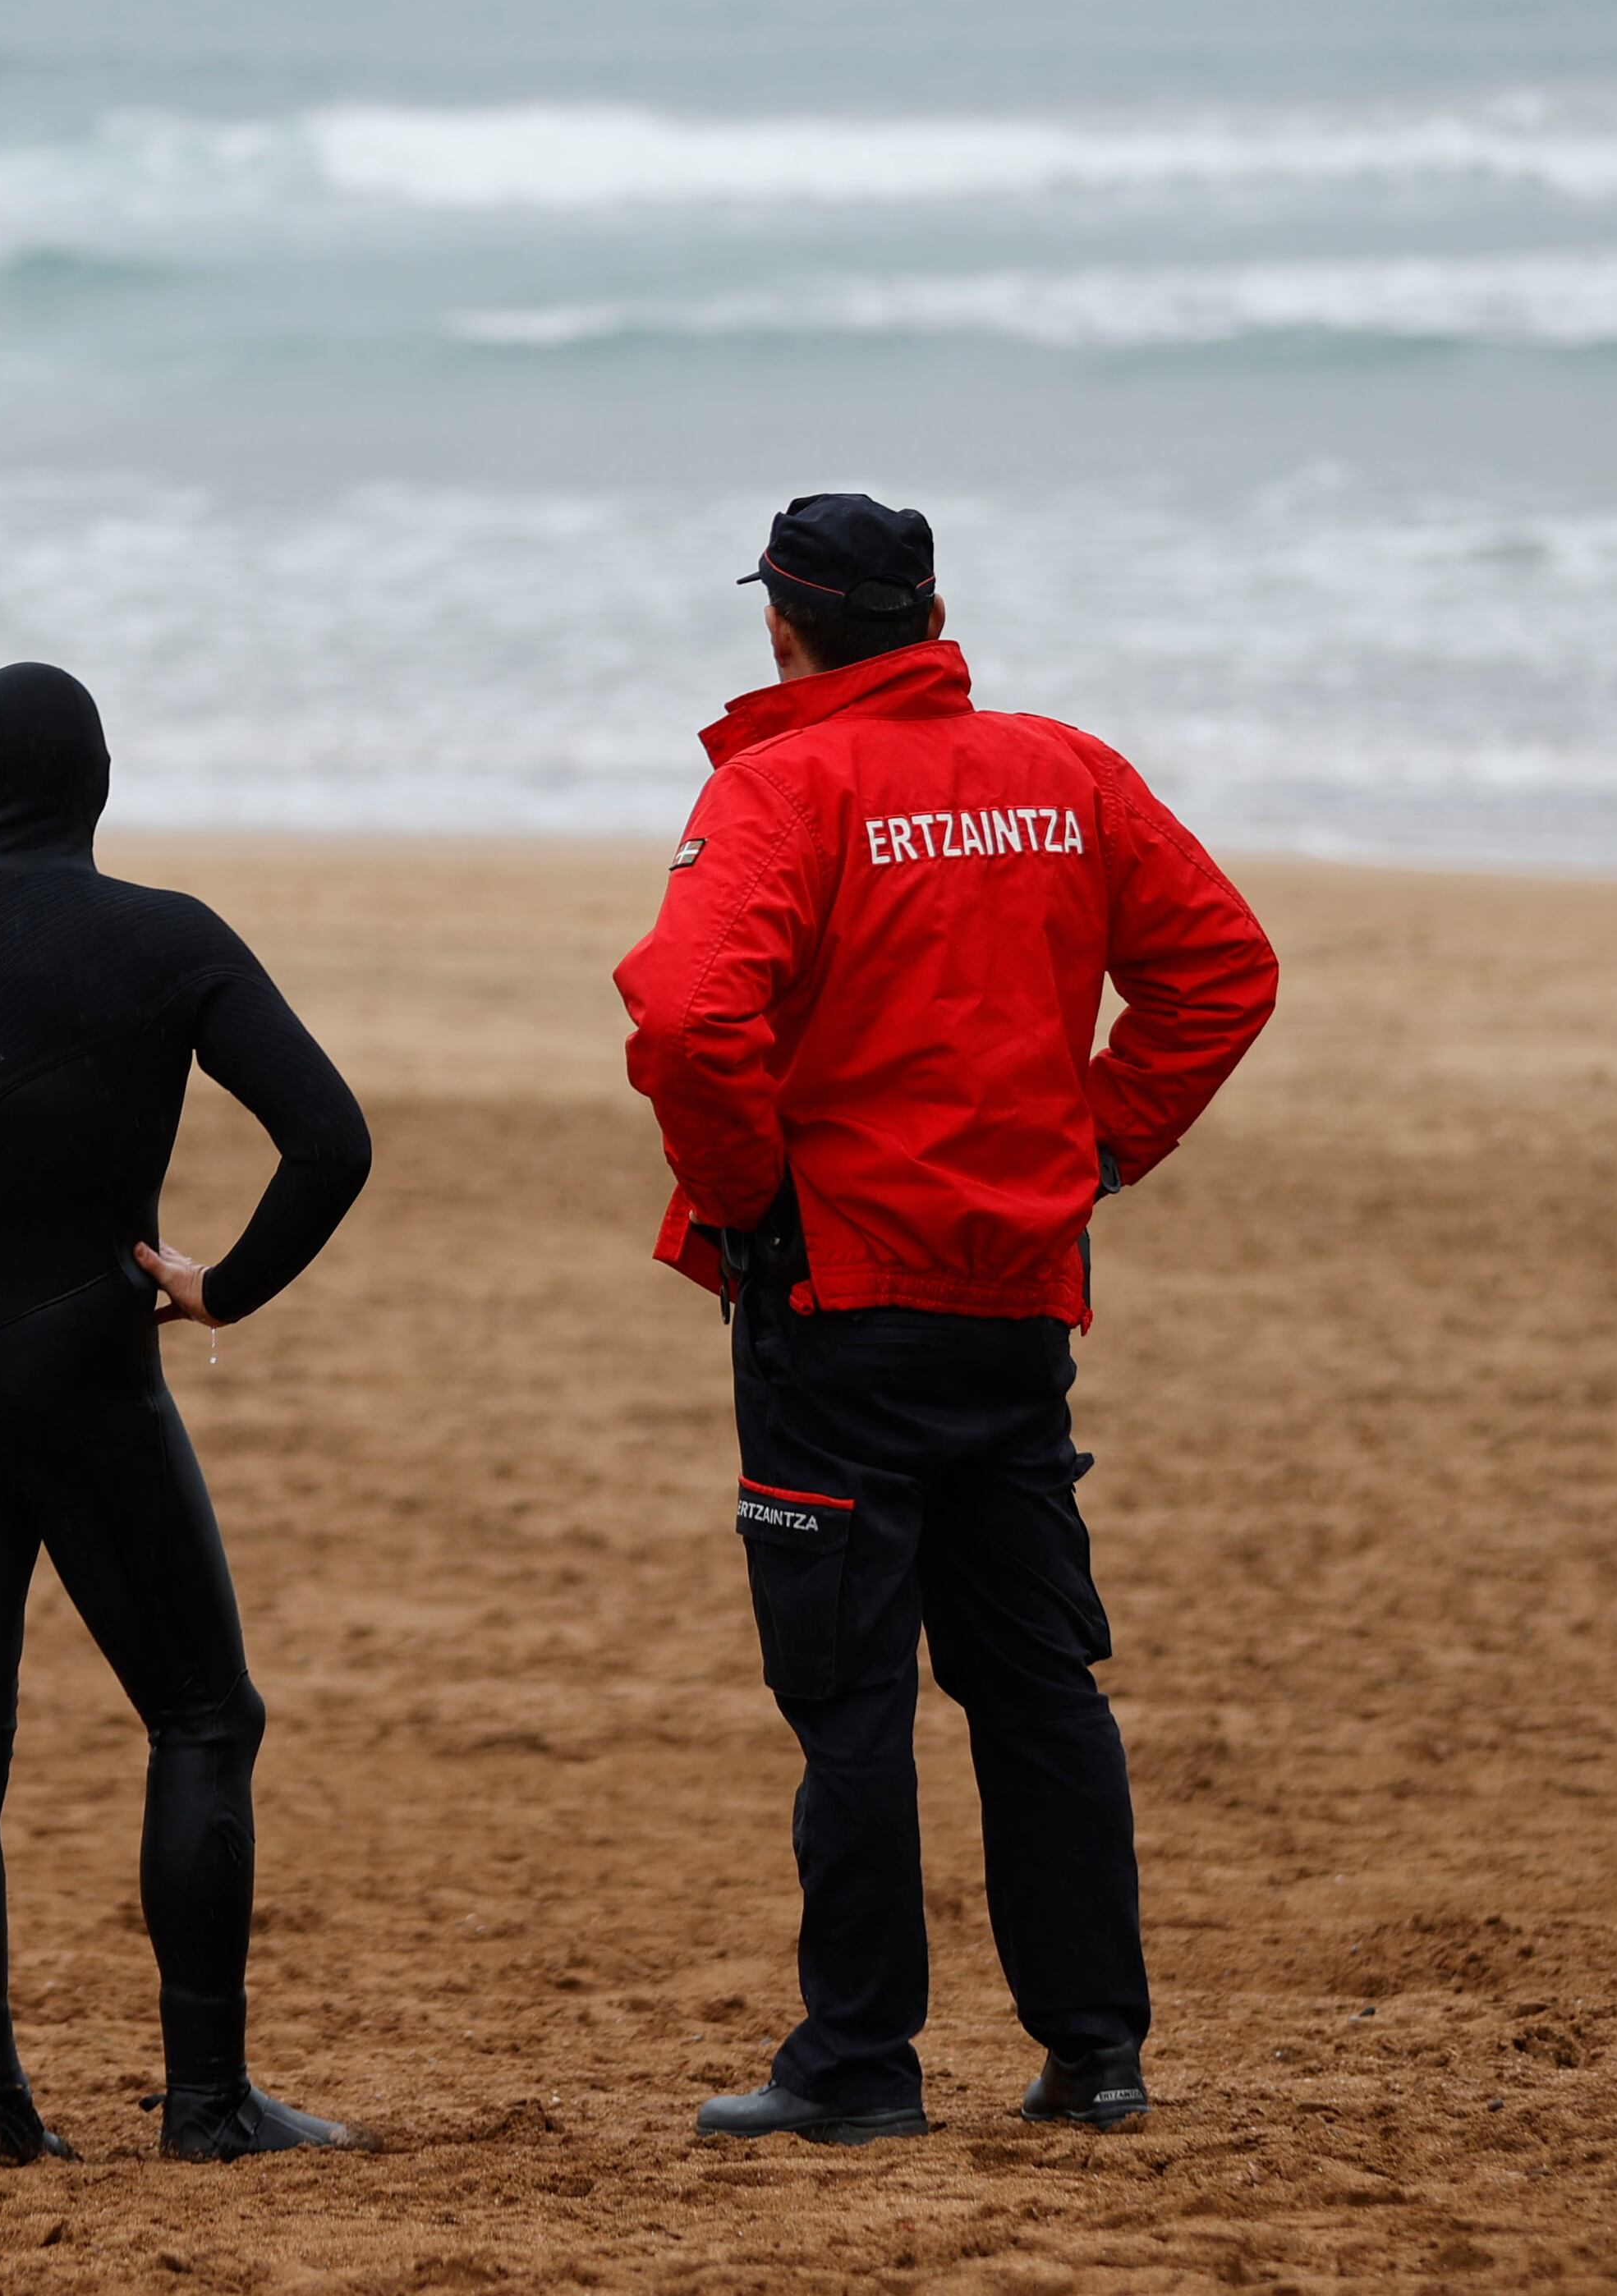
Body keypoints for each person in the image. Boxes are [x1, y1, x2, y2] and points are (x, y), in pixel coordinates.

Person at [614, 494, 1278, 2144]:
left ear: (783, 626)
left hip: (840, 1299)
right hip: (1012, 1301)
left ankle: (857, 2061)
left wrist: (748, 1187)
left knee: (853, 1697)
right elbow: (1220, 970)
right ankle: (1095, 2048)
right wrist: (1100, 1139)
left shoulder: (777, 786)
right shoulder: (1067, 771)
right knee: (1036, 1679)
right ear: (927, 612)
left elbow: (693, 1018)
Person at [0, 659, 378, 2168]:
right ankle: (206, 2106)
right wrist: (218, 1288)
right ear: (99, 784)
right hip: (87, 1386)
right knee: (202, 1716)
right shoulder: (168, 942)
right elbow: (330, 1142)